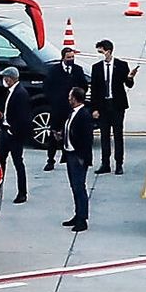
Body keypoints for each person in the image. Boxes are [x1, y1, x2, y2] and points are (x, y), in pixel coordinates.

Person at [89, 38, 137, 175]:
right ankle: (105, 163)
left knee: (118, 135)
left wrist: (130, 77)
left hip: (117, 106)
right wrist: (94, 108)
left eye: (101, 52)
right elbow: (94, 90)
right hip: (103, 106)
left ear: (108, 51)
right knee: (104, 136)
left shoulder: (121, 65)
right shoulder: (96, 67)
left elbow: (129, 85)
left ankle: (119, 163)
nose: (100, 55)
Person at [43, 46, 88, 171]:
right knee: (54, 135)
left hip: (72, 109)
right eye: (69, 57)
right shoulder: (54, 70)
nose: (71, 59)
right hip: (58, 108)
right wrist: (54, 99)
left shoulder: (77, 70)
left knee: (71, 133)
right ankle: (50, 160)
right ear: (63, 58)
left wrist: (77, 96)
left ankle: (68, 156)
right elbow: (47, 87)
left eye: (72, 57)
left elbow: (84, 86)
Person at [0, 66, 31, 203]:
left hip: (14, 135)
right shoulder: (10, 92)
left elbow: (23, 117)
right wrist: (2, 116)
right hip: (5, 132)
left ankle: (22, 192)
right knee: (0, 162)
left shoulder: (21, 94)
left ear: (11, 79)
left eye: (5, 78)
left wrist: (13, 131)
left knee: (18, 163)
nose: (4, 80)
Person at [61, 86, 95, 231]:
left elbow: (87, 139)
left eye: (70, 96)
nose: (68, 99)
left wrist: (82, 157)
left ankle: (83, 219)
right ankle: (77, 214)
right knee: (74, 187)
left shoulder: (84, 115)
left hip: (78, 157)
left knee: (80, 188)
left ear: (75, 99)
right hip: (70, 155)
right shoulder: (73, 113)